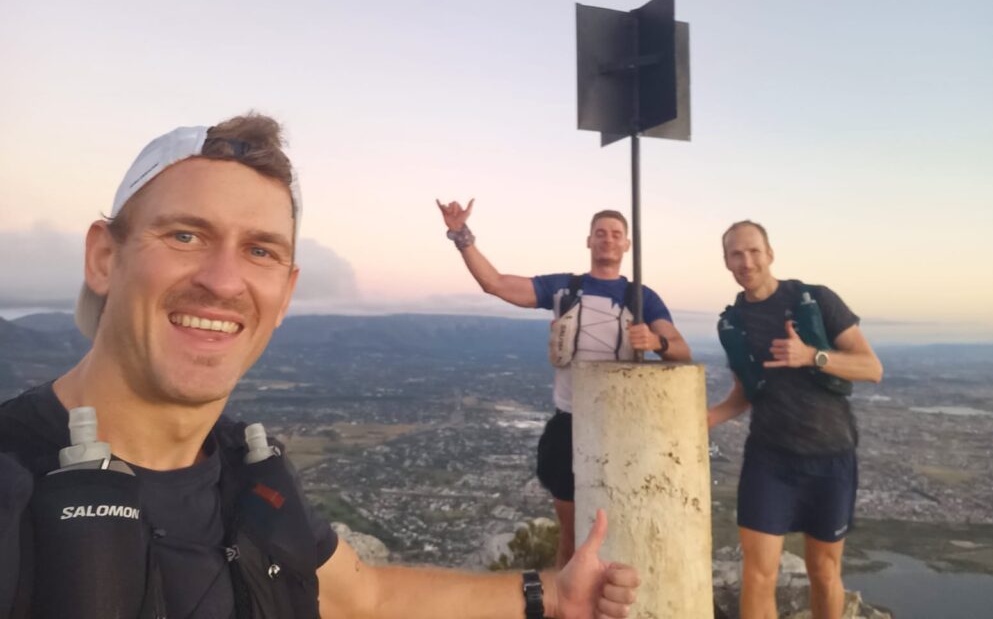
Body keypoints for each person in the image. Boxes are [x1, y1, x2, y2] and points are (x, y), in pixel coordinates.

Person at [0, 114, 641, 619]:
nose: (224, 281)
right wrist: (462, 238)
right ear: (104, 259)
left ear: (286, 292)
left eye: (259, 250)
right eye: (185, 235)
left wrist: (553, 597)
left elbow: (365, 599)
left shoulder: (251, 477)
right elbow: (500, 284)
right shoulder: (14, 483)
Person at [436, 199, 691, 569]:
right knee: (572, 536)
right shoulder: (565, 289)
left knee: (622, 531)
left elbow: (680, 350)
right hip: (571, 422)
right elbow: (496, 284)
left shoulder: (642, 298)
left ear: (626, 246)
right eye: (600, 233)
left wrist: (656, 342)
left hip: (622, 427)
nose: (607, 240)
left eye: (616, 234)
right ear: (589, 241)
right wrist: (461, 235)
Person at [707, 221, 883, 619]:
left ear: (770, 254)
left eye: (754, 251)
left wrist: (812, 356)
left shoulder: (817, 300)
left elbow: (871, 368)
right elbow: (746, 393)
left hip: (831, 455)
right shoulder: (732, 323)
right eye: (736, 254)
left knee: (823, 571)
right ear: (726, 262)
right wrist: (705, 419)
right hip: (770, 459)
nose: (746, 261)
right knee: (758, 574)